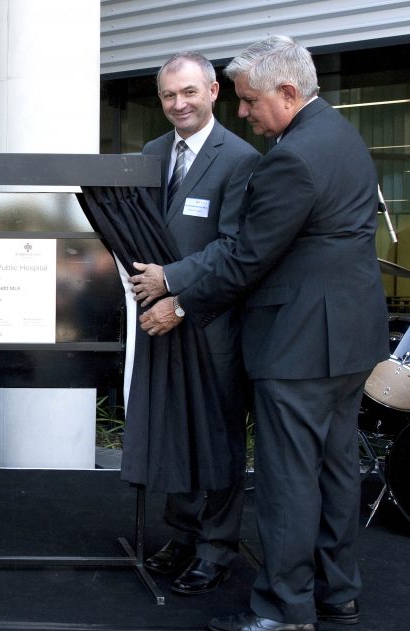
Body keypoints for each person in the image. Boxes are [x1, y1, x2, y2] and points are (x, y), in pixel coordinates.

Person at [138, 36, 388, 631]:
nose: (244, 113)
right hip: (348, 338)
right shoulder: (341, 136)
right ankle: (338, 592)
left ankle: (284, 605)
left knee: (288, 479)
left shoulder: (291, 158)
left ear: (287, 91)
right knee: (334, 470)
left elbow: (249, 256)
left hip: (299, 342)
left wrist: (178, 292)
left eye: (249, 101)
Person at [128, 52, 259, 595]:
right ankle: (181, 536)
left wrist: (172, 284)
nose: (178, 104)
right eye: (167, 96)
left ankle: (216, 548)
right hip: (156, 320)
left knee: (219, 437)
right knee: (173, 429)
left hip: (212, 323)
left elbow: (237, 249)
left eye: (188, 92)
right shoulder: (151, 154)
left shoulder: (242, 159)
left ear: (212, 92)